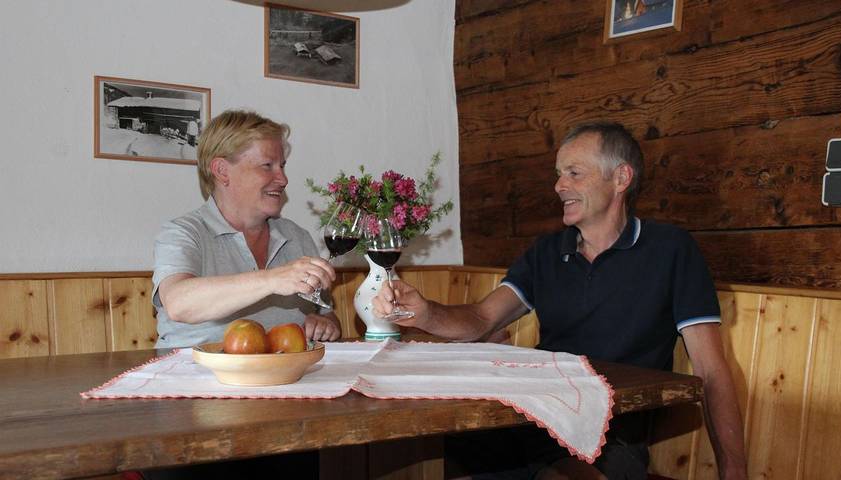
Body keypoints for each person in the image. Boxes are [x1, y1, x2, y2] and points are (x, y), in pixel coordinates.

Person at [373, 122, 747, 479]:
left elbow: (711, 371)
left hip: (608, 435)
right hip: (529, 419)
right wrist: (425, 313)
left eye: (574, 173)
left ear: (621, 178)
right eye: (558, 173)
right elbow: (481, 317)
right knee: (428, 453)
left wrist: (734, 471)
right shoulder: (547, 252)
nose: (558, 185)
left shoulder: (671, 250)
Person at [153, 109, 342, 349]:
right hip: (195, 378)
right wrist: (272, 279)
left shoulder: (296, 237)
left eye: (282, 166)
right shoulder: (182, 233)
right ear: (222, 171)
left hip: (282, 378)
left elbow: (325, 313)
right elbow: (179, 303)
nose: (283, 179)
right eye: (267, 166)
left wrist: (325, 323)